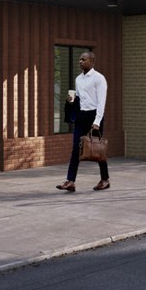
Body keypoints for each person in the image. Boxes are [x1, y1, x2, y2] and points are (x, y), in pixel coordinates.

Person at [56, 50, 110, 192]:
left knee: (98, 149)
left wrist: (97, 121)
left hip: (94, 116)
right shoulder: (78, 79)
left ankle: (105, 179)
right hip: (81, 116)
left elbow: (101, 102)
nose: (80, 61)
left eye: (84, 59)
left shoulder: (99, 78)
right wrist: (71, 101)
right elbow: (79, 98)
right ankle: (70, 181)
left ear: (92, 62)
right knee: (76, 149)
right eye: (80, 59)